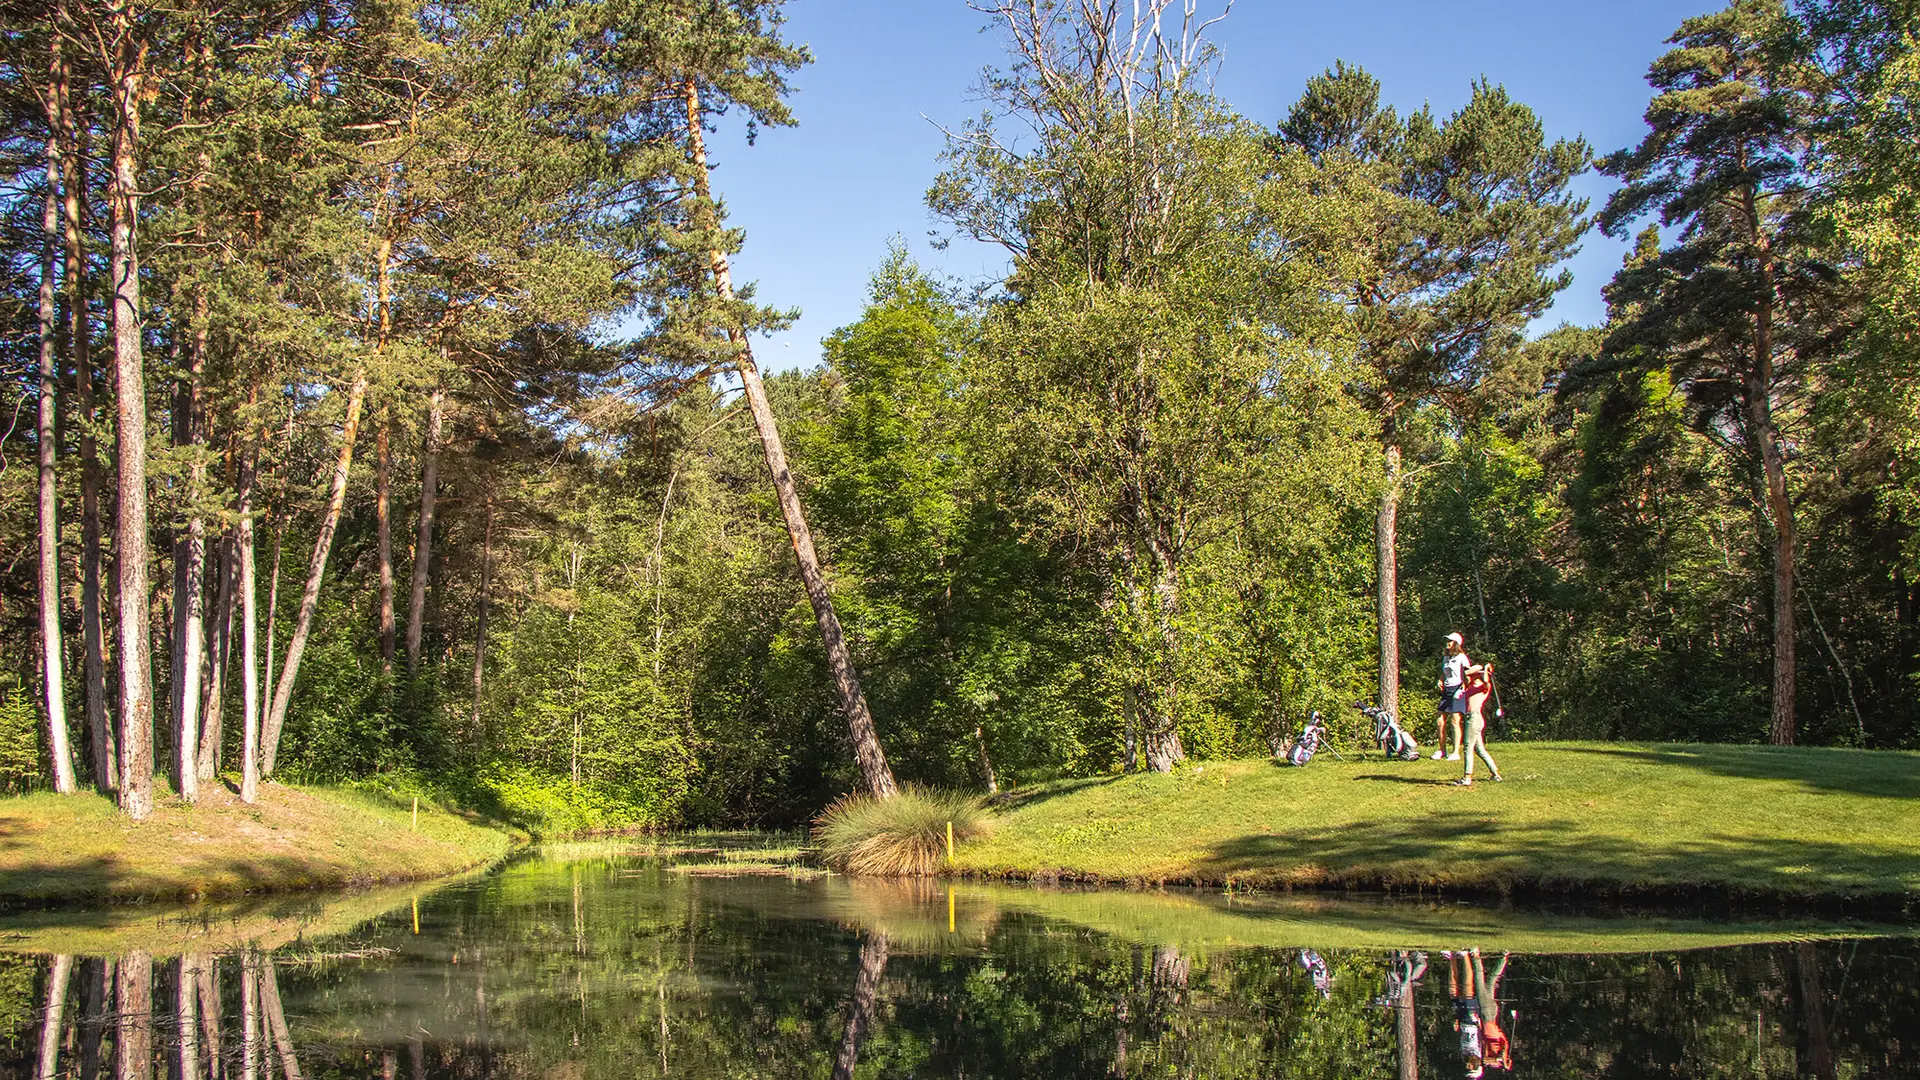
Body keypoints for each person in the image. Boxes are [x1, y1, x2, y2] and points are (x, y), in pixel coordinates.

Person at [1456, 654, 1503, 786]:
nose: (1476, 676)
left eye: (1479, 675)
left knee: (1467, 747)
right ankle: (1495, 774)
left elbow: (1487, 681)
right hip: (1472, 718)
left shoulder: (1483, 687)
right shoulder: (1470, 685)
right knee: (1479, 749)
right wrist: (1480, 668)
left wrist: (1487, 670)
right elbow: (1466, 673)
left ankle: (1467, 778)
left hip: (1475, 718)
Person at [1433, 632, 1468, 760]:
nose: (1447, 643)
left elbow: (1467, 675)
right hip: (1447, 690)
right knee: (1440, 719)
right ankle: (1442, 750)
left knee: (1455, 720)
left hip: (1458, 689)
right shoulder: (1446, 658)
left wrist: (1463, 689)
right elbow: (1445, 673)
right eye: (1447, 640)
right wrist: (1440, 680)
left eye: (1450, 641)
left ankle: (1455, 752)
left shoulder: (1462, 657)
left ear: (1456, 643)